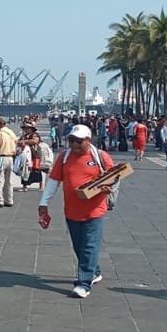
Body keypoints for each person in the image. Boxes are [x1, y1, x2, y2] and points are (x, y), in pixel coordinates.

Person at [38, 124, 114, 298]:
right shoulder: (64, 157)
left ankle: (83, 283)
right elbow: (53, 182)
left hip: (94, 210)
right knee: (79, 246)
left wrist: (107, 188)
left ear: (88, 140)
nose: (74, 145)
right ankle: (94, 271)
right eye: (71, 140)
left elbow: (114, 178)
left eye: (78, 141)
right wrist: (44, 203)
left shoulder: (100, 156)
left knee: (89, 245)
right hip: (71, 211)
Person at [18, 122, 41, 192]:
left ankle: (41, 186)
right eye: (25, 128)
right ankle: (24, 186)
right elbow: (18, 142)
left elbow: (35, 141)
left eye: (28, 128)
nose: (26, 129)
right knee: (24, 170)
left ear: (31, 129)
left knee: (36, 170)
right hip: (25, 155)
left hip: (34, 154)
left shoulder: (35, 135)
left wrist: (25, 141)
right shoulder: (23, 136)